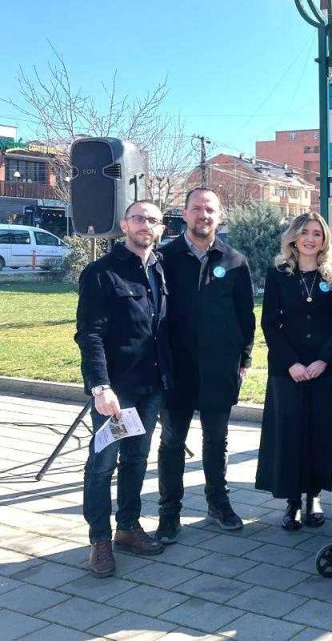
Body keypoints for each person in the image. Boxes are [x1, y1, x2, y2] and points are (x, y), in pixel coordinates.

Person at [75, 200, 173, 576]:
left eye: (152, 220)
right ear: (123, 224)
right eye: (138, 218)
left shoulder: (160, 269)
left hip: (151, 387)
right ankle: (100, 540)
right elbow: (90, 334)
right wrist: (101, 386)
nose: (145, 225)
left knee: (136, 460)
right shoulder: (101, 273)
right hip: (118, 393)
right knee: (102, 465)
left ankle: (128, 528)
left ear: (160, 227)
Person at [156, 188, 256, 542]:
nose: (203, 215)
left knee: (217, 440)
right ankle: (169, 513)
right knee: (171, 442)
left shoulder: (235, 261)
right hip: (176, 370)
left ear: (220, 215)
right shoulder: (162, 258)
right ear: (184, 214)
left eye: (210, 209)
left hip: (219, 369)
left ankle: (218, 504)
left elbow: (246, 317)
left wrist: (244, 359)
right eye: (196, 208)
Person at [256, 212, 332, 530]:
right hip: (289, 369)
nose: (311, 238)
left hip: (326, 368)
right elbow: (269, 322)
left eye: (318, 233)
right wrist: (291, 363)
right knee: (291, 432)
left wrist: (324, 360)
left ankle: (314, 497)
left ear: (325, 240)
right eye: (306, 232)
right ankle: (293, 501)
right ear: (294, 236)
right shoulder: (278, 273)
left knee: (321, 432)